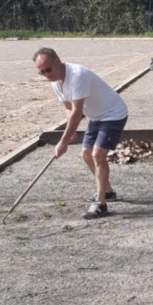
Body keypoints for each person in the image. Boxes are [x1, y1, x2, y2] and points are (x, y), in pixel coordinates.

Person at [33, 48, 128, 220]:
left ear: (57, 61)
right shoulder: (56, 83)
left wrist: (62, 141)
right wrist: (70, 132)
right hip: (96, 116)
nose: (47, 74)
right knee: (86, 154)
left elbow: (77, 112)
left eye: (48, 69)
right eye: (42, 72)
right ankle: (107, 192)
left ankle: (100, 204)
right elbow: (69, 109)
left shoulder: (77, 75)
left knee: (98, 154)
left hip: (113, 113)